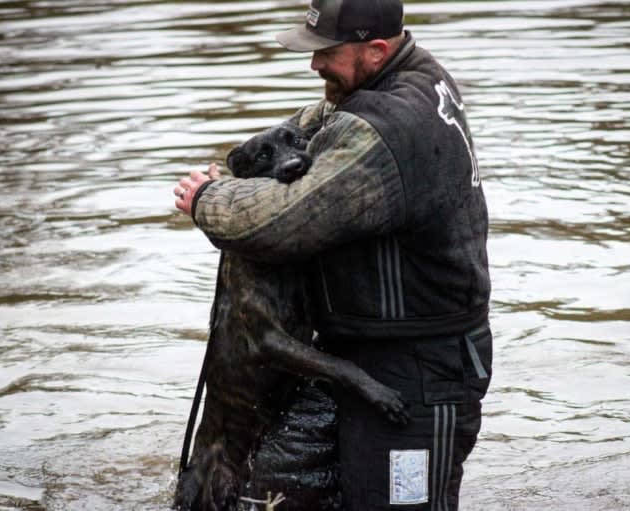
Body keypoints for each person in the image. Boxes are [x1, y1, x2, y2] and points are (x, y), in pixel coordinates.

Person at [173, 0, 492, 509]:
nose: (314, 64)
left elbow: (276, 223)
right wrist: (234, 172)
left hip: (418, 370)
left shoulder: (386, 127)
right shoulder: (399, 76)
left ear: (376, 50)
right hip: (355, 352)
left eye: (327, 52)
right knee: (266, 497)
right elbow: (303, 130)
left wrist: (208, 198)